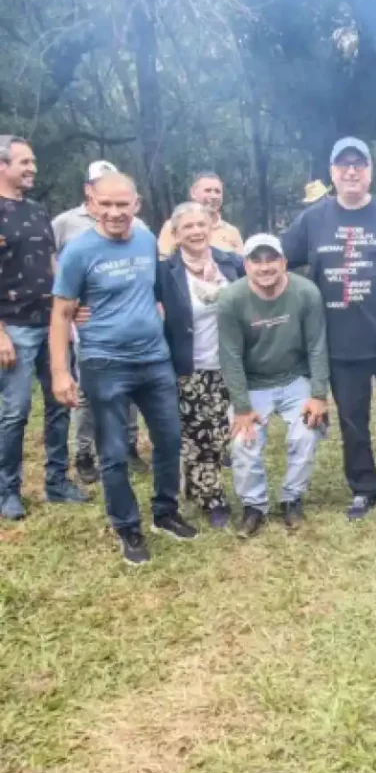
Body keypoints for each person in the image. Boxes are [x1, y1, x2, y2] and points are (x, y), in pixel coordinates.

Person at [50, 172, 197, 564]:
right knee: (113, 452)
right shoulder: (79, 251)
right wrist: (61, 372)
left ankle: (164, 513)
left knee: (168, 440)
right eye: (106, 204)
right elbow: (62, 312)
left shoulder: (147, 240)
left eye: (123, 204)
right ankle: (127, 527)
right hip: (104, 363)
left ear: (136, 204)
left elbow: (153, 292)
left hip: (154, 359)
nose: (115, 212)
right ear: (91, 202)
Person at [282, 137, 376, 520]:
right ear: (332, 172)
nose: (351, 171)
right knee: (353, 421)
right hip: (340, 343)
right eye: (343, 165)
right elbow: (276, 262)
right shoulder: (313, 219)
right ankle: (364, 489)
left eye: (359, 164)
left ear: (369, 171)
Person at [217, 234, 329, 537]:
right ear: (246, 265)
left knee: (307, 433)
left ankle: (292, 499)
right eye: (256, 260)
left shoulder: (306, 292)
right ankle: (254, 506)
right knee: (244, 442)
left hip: (295, 378)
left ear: (284, 262)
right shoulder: (230, 300)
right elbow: (230, 356)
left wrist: (318, 394)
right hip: (253, 384)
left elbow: (317, 345)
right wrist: (241, 407)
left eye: (271, 260)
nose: (265, 267)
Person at [0, 135, 88, 520]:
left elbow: (53, 265)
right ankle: (7, 491)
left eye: (33, 161)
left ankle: (57, 482)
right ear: (2, 166)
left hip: (48, 322)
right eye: (24, 162)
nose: (32, 168)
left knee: (60, 403)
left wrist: (64, 315)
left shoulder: (37, 211)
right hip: (13, 326)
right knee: (15, 412)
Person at [53, 159, 148, 484]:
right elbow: (53, 266)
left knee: (131, 393)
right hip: (92, 331)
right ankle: (83, 452)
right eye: (103, 197)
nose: (113, 209)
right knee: (90, 396)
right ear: (90, 192)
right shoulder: (66, 223)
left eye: (121, 201)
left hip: (135, 335)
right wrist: (72, 301)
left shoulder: (141, 230)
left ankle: (130, 446)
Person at [157, 202, 244, 529]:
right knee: (198, 434)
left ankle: (197, 483)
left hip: (232, 363)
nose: (195, 231)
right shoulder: (165, 272)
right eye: (187, 227)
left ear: (211, 227)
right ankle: (213, 498)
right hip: (190, 366)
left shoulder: (231, 263)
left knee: (226, 433)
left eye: (200, 225)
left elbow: (267, 280)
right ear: (176, 235)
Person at [158, 172, 243, 257]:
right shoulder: (173, 226)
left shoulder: (232, 232)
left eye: (217, 191)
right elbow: (164, 261)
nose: (213, 196)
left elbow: (243, 265)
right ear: (193, 193)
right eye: (208, 190)